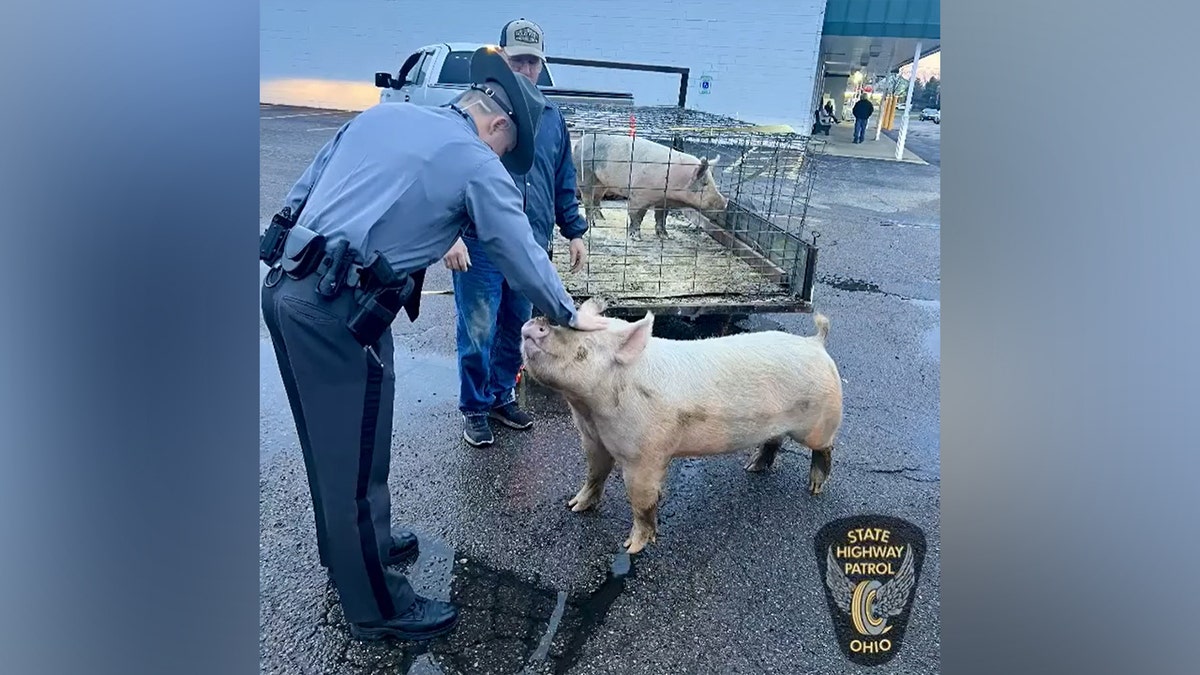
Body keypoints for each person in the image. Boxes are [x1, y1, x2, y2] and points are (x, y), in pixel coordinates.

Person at [260, 46, 610, 643]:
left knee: (342, 447)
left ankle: (354, 547)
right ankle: (376, 607)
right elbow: (520, 251)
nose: (504, 159)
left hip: (291, 288)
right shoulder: (475, 161)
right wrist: (568, 315)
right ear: (497, 124)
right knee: (351, 461)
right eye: (508, 148)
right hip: (337, 314)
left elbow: (301, 191)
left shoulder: (381, 117)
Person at [442, 18, 587, 447]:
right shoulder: (477, 113)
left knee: (516, 326)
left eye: (533, 63)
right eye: (518, 61)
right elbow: (447, 176)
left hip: (530, 243)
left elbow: (563, 177)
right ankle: (474, 406)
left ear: (542, 67)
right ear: (503, 60)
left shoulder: (551, 118)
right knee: (479, 327)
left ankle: (502, 395)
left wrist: (574, 229)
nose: (526, 70)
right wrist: (448, 235)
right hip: (480, 244)